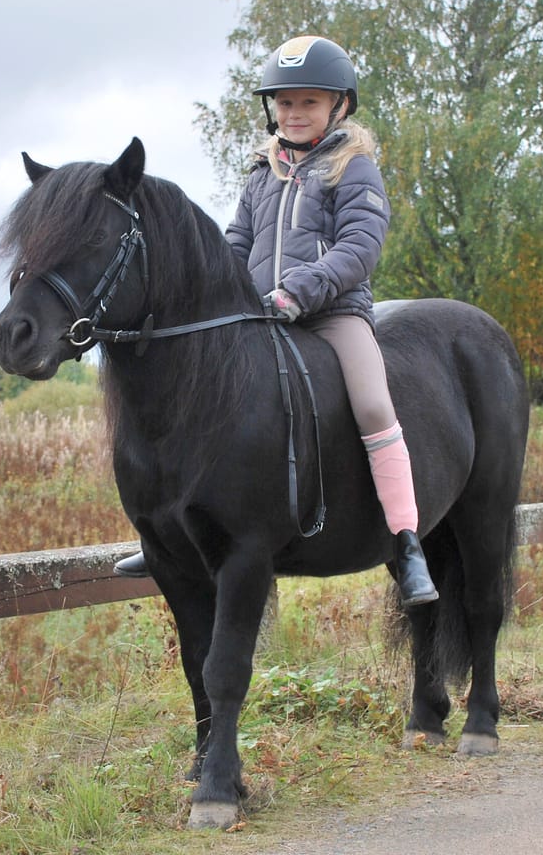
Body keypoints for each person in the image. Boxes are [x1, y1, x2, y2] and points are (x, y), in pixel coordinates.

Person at [116, 35, 437, 608]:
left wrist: (301, 289)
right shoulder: (263, 172)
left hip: (333, 315)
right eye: (285, 103)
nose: (294, 114)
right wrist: (211, 293)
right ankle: (170, 533)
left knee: (372, 405)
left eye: (308, 103)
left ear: (339, 106)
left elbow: (360, 246)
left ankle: (407, 541)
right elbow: (236, 243)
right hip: (262, 317)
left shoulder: (352, 167)